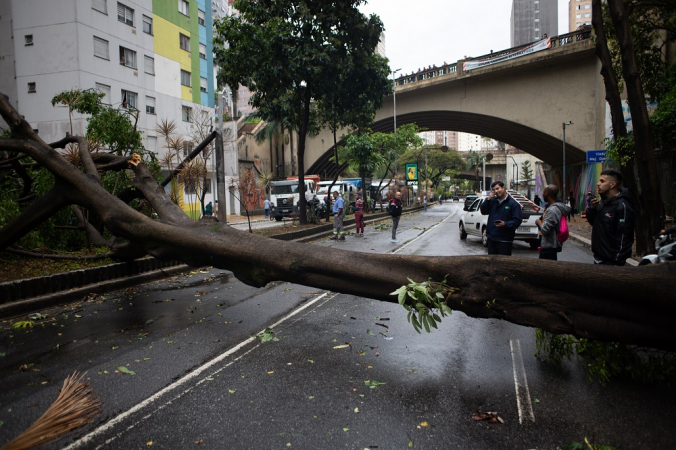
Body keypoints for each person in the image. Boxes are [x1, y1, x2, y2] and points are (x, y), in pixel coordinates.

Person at [586, 169, 634, 266]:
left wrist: (617, 261)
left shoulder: (622, 206)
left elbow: (624, 237)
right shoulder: (603, 202)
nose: (598, 184)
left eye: (602, 181)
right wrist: (592, 209)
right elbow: (594, 223)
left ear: (612, 184)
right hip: (599, 258)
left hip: (611, 262)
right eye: (599, 181)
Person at [480, 181, 523, 255]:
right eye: (494, 190)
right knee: (492, 263)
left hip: (505, 240)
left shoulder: (513, 204)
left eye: (497, 188)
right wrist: (488, 199)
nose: (496, 191)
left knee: (503, 264)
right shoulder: (493, 201)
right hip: (492, 239)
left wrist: (505, 224)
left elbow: (517, 221)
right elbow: (483, 211)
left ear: (503, 188)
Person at [535, 185, 571, 260]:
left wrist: (538, 222)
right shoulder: (554, 208)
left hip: (549, 247)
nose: (542, 194)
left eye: (543, 192)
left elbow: (545, 230)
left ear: (546, 193)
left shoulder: (552, 210)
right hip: (550, 247)